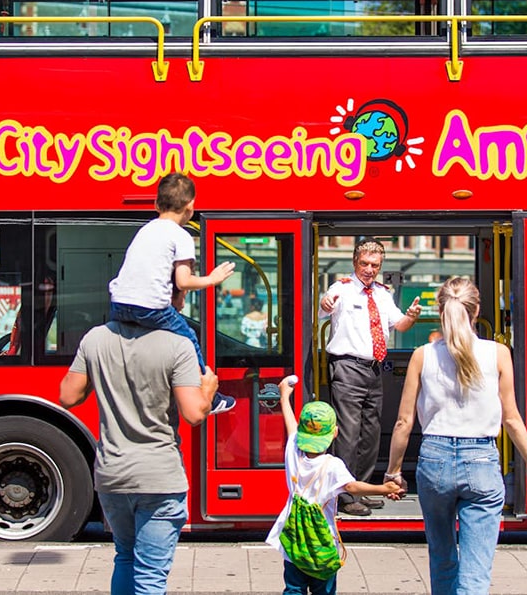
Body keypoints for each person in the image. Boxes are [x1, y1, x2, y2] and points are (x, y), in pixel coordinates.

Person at [384, 276, 527, 595]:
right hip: (482, 460)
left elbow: (403, 422)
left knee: (441, 559)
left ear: (439, 309)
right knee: (475, 572)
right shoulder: (498, 353)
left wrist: (393, 472)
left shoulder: (421, 355)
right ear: (477, 310)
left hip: (434, 461)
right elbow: (511, 418)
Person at [58, 286, 219, 595]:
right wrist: (209, 390)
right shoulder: (178, 345)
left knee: (126, 557)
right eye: (181, 294)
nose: (183, 302)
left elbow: (68, 396)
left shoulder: (95, 339)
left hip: (112, 476)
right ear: (163, 301)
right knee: (151, 577)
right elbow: (194, 414)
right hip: (159, 478)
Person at [108, 172, 237, 414]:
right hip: (150, 305)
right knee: (188, 337)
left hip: (119, 303)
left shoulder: (146, 230)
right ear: (190, 207)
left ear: (157, 204)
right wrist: (213, 279)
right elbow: (183, 280)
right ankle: (205, 392)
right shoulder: (180, 235)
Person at [266, 378, 401, 594]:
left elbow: (291, 426)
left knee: (293, 588)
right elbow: (352, 487)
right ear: (335, 433)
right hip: (322, 542)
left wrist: (284, 397)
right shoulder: (332, 465)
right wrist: (384, 489)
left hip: (293, 544)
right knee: (324, 590)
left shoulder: (293, 451)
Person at [318, 237, 422, 516]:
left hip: (374, 368)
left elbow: (399, 324)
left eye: (374, 265)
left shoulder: (382, 293)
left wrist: (412, 316)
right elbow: (322, 308)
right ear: (355, 262)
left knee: (370, 433)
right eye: (364, 263)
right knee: (348, 434)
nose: (369, 269)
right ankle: (343, 495)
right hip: (347, 366)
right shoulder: (341, 288)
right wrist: (326, 304)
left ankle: (361, 489)